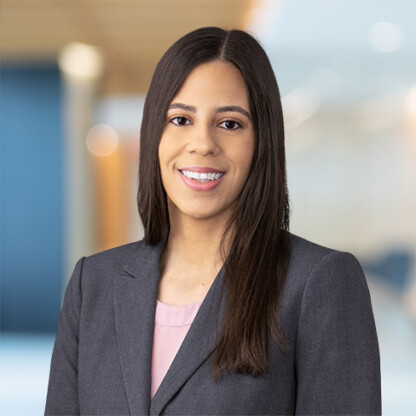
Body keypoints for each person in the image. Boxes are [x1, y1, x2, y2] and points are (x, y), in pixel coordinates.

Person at [45, 27, 381, 415]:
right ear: (155, 132)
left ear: (262, 142)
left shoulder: (317, 282)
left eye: (230, 124)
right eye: (180, 119)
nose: (203, 143)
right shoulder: (93, 285)